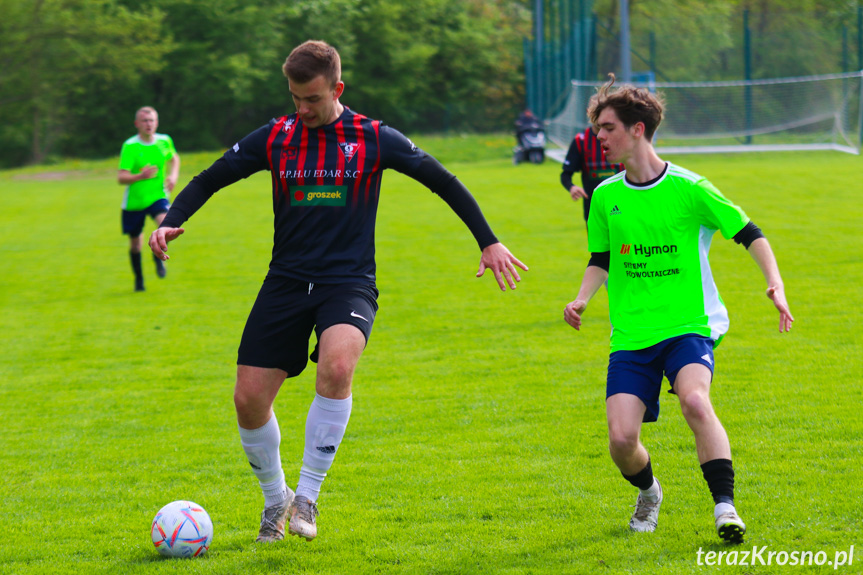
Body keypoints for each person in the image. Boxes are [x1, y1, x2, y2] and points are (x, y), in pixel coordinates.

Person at [149, 40, 527, 544]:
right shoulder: (277, 137)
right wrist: (172, 220)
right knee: (248, 399)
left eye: (311, 99)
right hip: (285, 280)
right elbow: (211, 178)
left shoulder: (373, 137)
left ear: (337, 89)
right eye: (294, 98)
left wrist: (489, 241)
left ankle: (307, 496)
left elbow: (443, 180)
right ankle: (275, 499)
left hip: (348, 282)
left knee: (338, 366)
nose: (301, 109)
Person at [563, 75, 793, 543]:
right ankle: (649, 492)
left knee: (693, 399)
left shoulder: (691, 188)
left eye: (607, 128)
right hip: (631, 334)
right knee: (622, 441)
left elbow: (749, 232)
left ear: (638, 129)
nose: (598, 138)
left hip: (689, 324)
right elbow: (601, 258)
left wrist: (775, 283)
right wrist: (583, 297)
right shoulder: (605, 197)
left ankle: (725, 507)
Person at [118, 106, 180, 291]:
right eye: (144, 121)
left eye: (152, 120)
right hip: (135, 201)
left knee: (166, 227)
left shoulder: (164, 140)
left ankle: (157, 256)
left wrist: (174, 176)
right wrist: (140, 176)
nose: (148, 124)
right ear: (137, 124)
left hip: (158, 197)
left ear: (157, 122)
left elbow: (174, 157)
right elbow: (121, 177)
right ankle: (139, 279)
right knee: (136, 245)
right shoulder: (130, 146)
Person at [560, 126, 623, 227]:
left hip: (622, 203)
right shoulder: (580, 140)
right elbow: (565, 174)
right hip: (593, 207)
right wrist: (572, 187)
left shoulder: (622, 137)